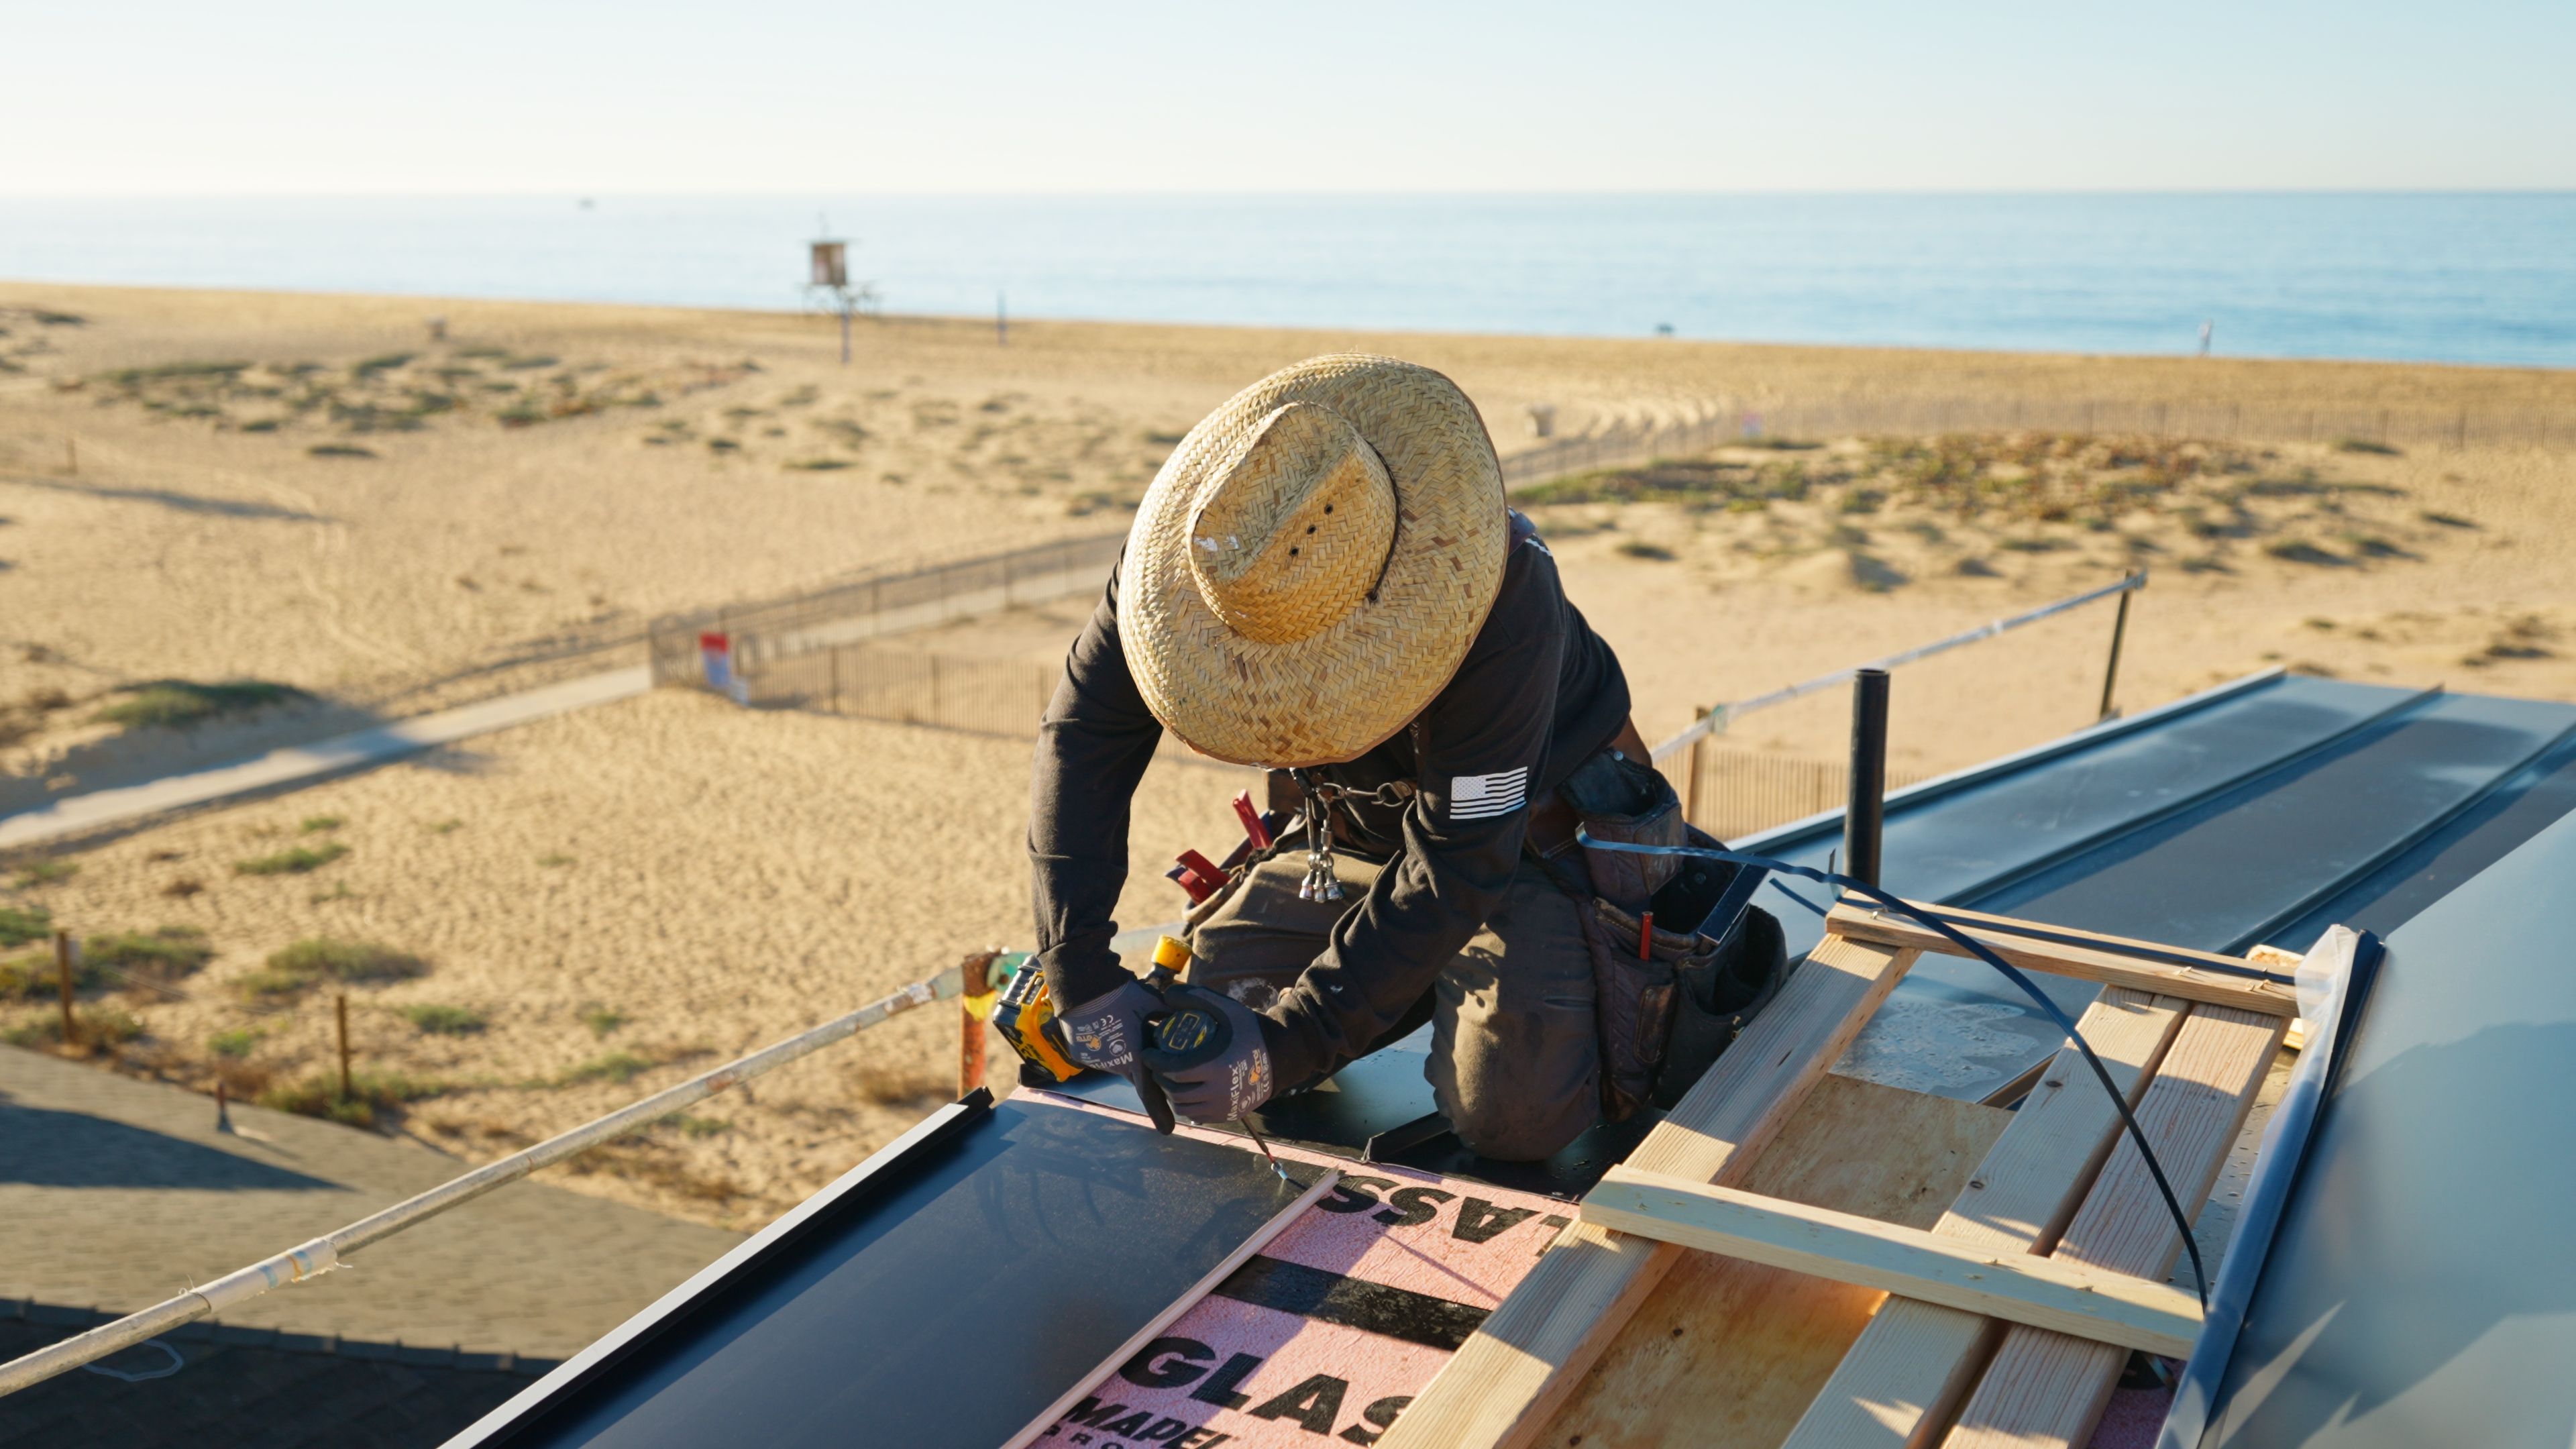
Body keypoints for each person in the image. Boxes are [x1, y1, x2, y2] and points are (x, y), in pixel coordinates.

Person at [1028, 355, 1781, 1162]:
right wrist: (1077, 968)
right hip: (1360, 838)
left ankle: (1585, 953)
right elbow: (1084, 738)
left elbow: (1461, 862)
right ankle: (1406, 976)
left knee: (1513, 1126)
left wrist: (1293, 1042)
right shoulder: (1198, 564)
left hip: (1533, 845)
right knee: (1214, 1009)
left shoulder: (1499, 592)